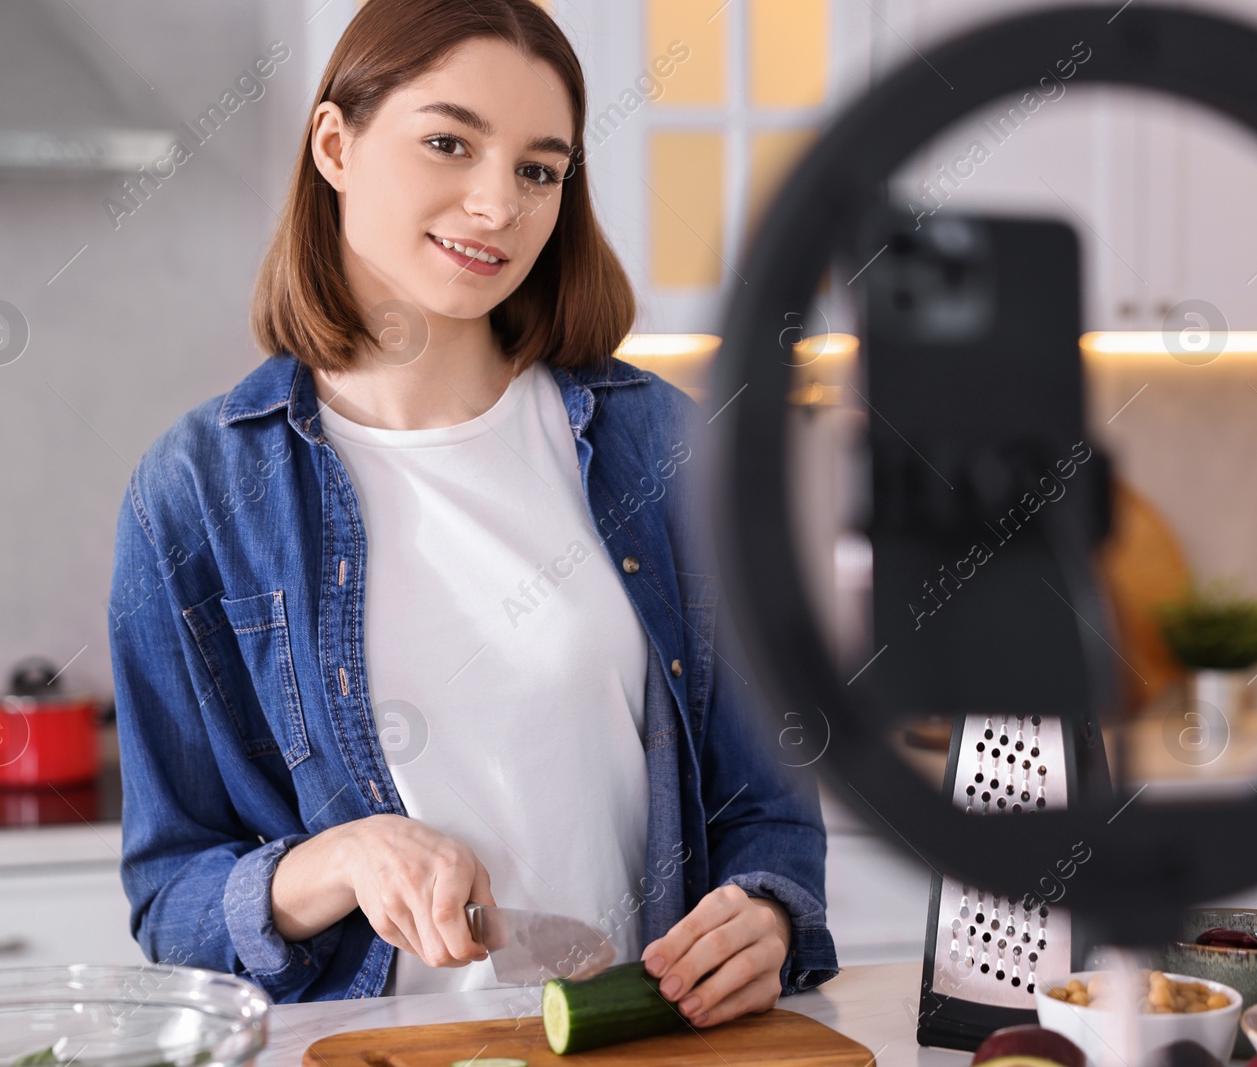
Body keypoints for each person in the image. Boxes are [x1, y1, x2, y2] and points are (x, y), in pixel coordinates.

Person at [107, 0, 838, 1025]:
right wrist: (337, 859)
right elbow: (170, 897)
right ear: (335, 145)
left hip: (638, 1047)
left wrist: (766, 914)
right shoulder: (196, 492)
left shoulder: (666, 451)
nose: (497, 203)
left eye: (539, 168)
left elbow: (767, 804)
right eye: (448, 143)